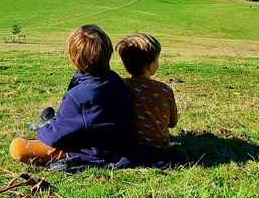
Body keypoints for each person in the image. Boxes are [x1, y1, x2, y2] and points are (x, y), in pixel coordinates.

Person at [9, 24, 133, 170]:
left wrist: (42, 131)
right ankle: (49, 122)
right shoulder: (117, 81)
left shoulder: (77, 97)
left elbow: (55, 137)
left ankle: (44, 124)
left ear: (73, 58)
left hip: (90, 152)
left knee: (17, 147)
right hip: (118, 146)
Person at [115, 32, 180, 162]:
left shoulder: (120, 86)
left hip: (130, 146)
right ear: (151, 65)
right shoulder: (164, 90)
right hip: (160, 147)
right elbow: (172, 123)